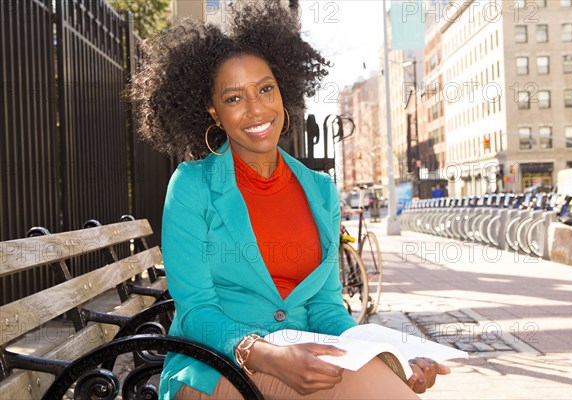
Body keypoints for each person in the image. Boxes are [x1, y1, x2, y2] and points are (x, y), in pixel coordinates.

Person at [130, 3, 449, 399]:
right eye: (234, 98)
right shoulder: (191, 186)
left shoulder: (319, 190)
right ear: (213, 111)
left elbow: (327, 309)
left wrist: (391, 354)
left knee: (386, 383)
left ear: (283, 89)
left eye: (266, 88)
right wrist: (263, 354)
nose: (257, 108)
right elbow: (195, 310)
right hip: (215, 366)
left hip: (310, 357)